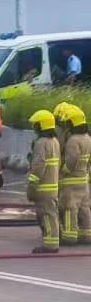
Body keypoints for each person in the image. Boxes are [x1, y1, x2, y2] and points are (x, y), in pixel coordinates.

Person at [27, 109, 62, 254]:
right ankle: (52, 241)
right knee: (51, 213)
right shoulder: (55, 141)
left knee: (46, 215)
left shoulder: (41, 142)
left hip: (43, 187)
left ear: (41, 125)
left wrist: (32, 183)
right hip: (53, 185)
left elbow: (39, 164)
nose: (34, 127)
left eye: (36, 124)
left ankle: (51, 245)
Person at [62, 106, 91, 247]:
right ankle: (86, 234)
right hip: (84, 178)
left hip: (72, 179)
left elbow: (72, 159)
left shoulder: (73, 140)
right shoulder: (88, 138)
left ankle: (69, 236)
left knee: (70, 208)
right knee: (85, 207)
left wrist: (64, 170)